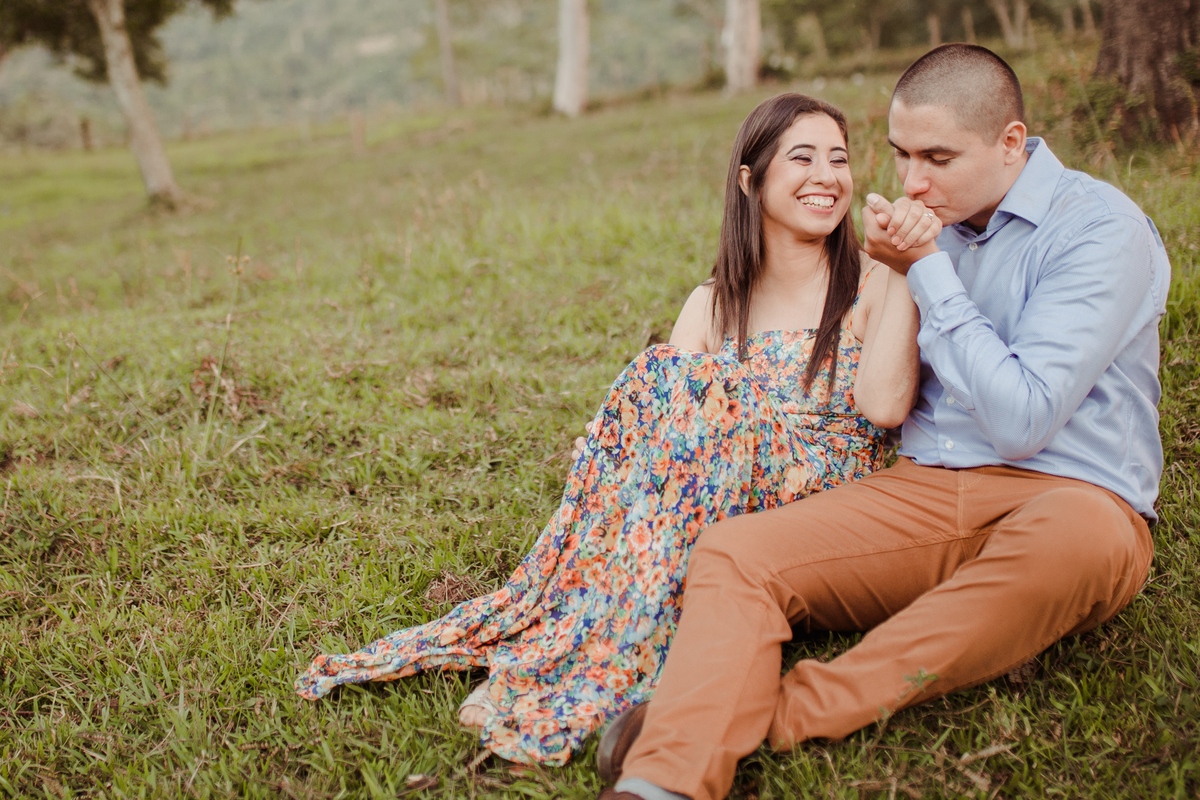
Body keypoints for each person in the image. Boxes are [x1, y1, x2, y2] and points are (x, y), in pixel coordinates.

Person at [595, 43, 1172, 800]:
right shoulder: (923, 230)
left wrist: (925, 267)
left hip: (1070, 495)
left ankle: (778, 713)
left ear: (1011, 142)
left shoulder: (1098, 229)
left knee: (1083, 539)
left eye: (937, 157)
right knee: (736, 553)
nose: (911, 182)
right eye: (901, 154)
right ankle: (658, 783)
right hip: (925, 486)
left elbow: (1024, 419)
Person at [294, 94, 939, 766]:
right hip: (713, 483)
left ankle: (589, 665)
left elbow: (885, 408)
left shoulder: (875, 281)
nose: (827, 177)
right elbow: (666, 399)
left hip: (817, 491)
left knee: (692, 386)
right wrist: (623, 443)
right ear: (751, 181)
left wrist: (903, 270)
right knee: (662, 376)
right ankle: (552, 647)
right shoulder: (715, 301)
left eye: (839, 159)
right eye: (802, 158)